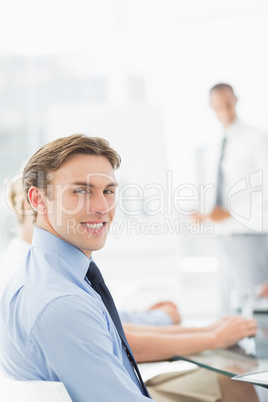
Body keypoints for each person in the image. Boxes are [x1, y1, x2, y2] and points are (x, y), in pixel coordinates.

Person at [0, 135, 260, 401]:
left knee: (227, 381)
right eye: (80, 191)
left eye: (108, 191)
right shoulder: (61, 303)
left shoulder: (49, 275)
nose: (102, 208)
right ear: (38, 200)